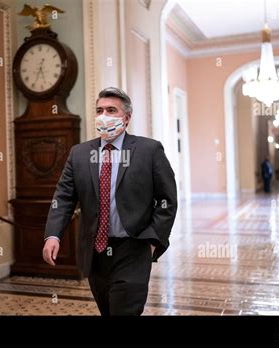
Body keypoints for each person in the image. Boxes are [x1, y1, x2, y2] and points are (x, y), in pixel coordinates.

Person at [42, 87, 178, 316]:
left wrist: (152, 241)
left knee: (124, 311)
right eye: (99, 110)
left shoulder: (149, 150)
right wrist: (53, 234)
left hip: (134, 248)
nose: (103, 115)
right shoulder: (79, 154)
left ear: (126, 118)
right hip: (96, 252)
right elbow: (63, 197)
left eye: (111, 110)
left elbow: (167, 199)